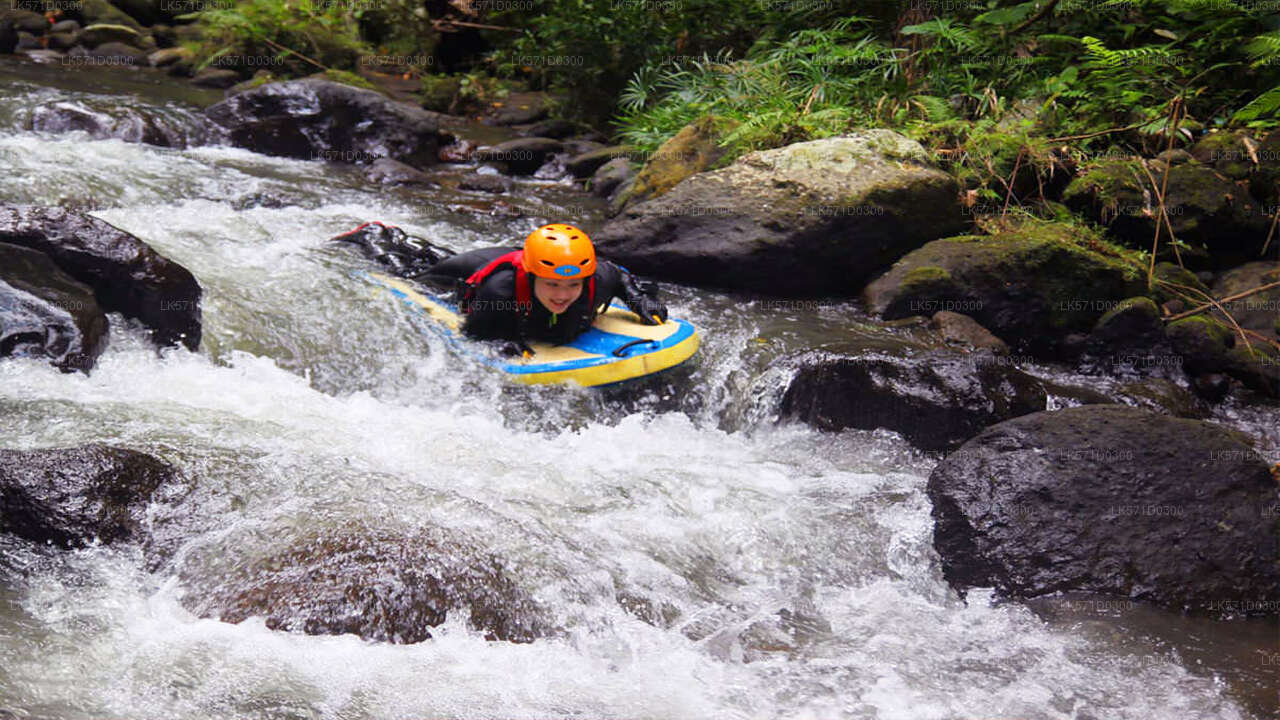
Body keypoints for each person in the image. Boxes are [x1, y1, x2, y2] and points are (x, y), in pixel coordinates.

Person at [334, 222, 668, 355]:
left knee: (437, 255)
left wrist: (638, 299)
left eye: (572, 285)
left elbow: (620, 276)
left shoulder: (598, 278)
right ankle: (372, 235)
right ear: (533, 277)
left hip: (507, 260)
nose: (563, 295)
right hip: (471, 274)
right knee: (410, 271)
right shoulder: (500, 293)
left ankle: (405, 238)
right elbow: (474, 331)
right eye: (552, 284)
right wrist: (500, 339)